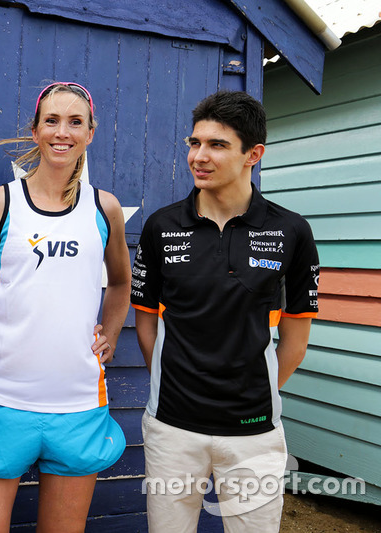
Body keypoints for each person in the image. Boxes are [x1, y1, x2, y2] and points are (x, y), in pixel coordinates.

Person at [0, 82, 131, 533]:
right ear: (35, 130)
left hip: (79, 405)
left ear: (90, 132)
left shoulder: (105, 209)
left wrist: (113, 333)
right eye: (52, 120)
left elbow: (121, 283)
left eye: (75, 122)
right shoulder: (0, 203)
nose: (62, 132)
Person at [131, 90, 319, 532]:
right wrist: (175, 382)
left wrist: (254, 395)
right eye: (194, 143)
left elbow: (296, 336)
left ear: (253, 154)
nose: (200, 156)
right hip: (172, 428)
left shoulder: (290, 230)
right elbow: (145, 321)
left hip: (255, 433)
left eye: (217, 145)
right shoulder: (161, 226)